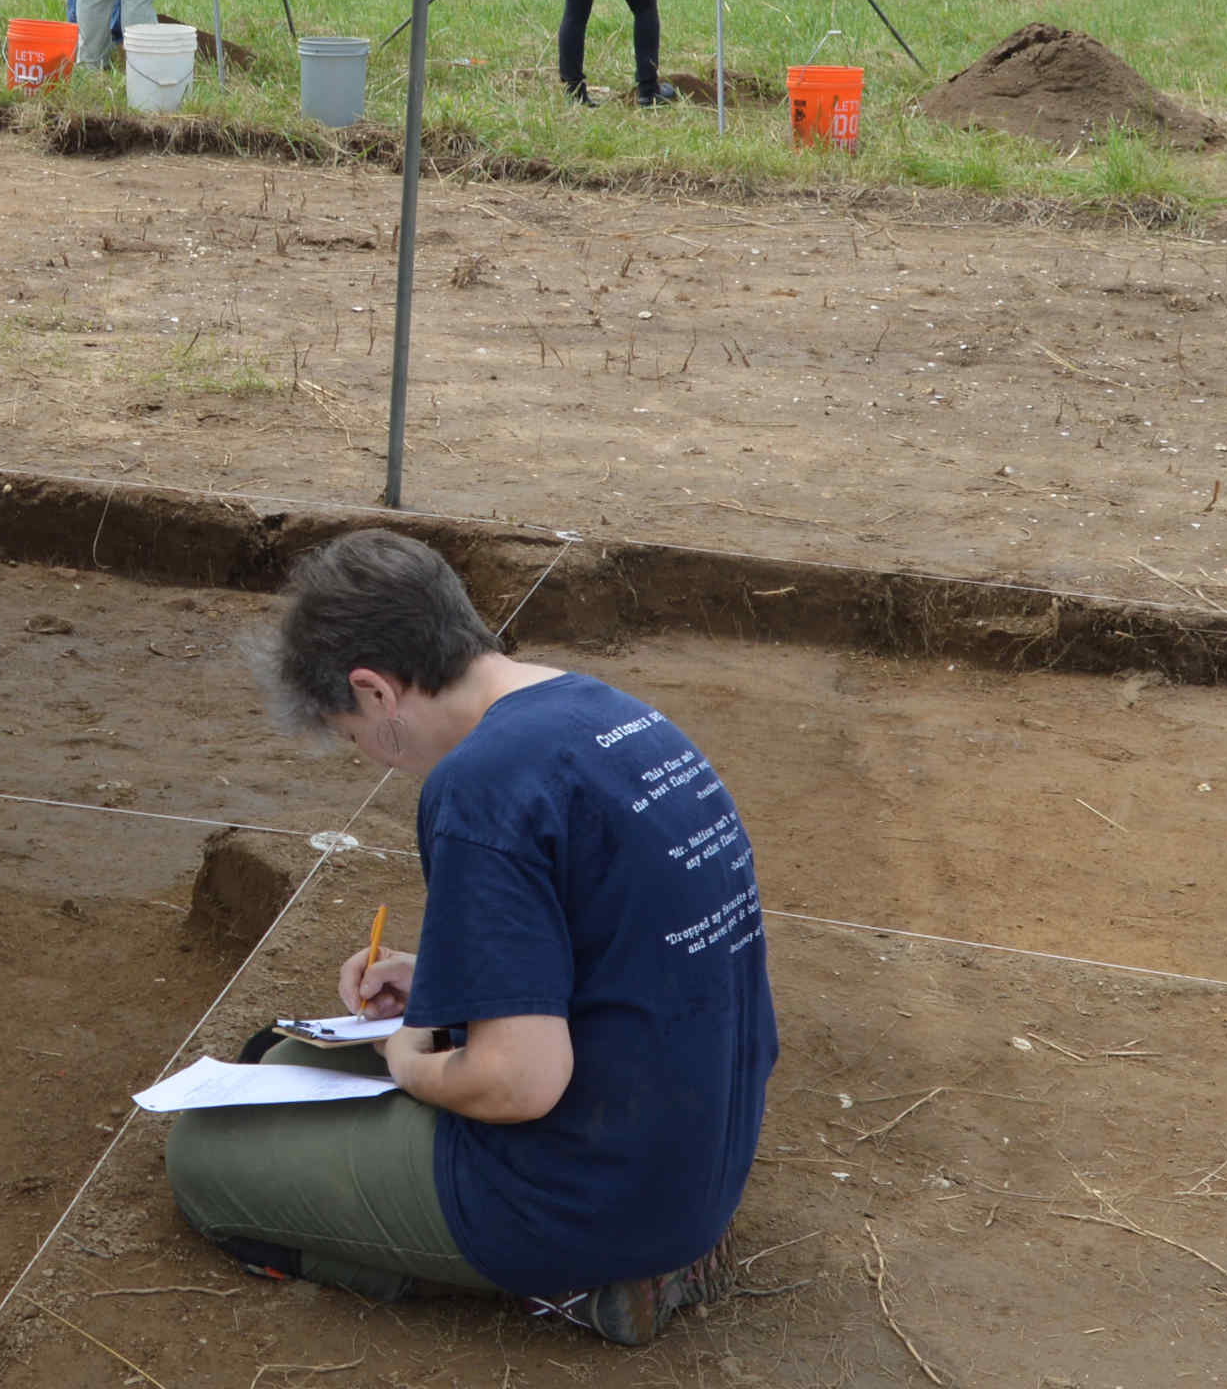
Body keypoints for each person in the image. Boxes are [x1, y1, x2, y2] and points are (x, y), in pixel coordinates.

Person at [170, 531, 780, 1347]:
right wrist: (440, 976)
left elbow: (520, 1081)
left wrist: (410, 1061)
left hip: (591, 1194)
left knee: (205, 1158)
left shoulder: (480, 785)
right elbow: (620, 941)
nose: (371, 759)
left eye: (351, 733)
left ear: (376, 690)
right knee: (280, 1066)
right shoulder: (609, 713)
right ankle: (610, 1259)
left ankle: (570, 1290)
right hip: (698, 1153)